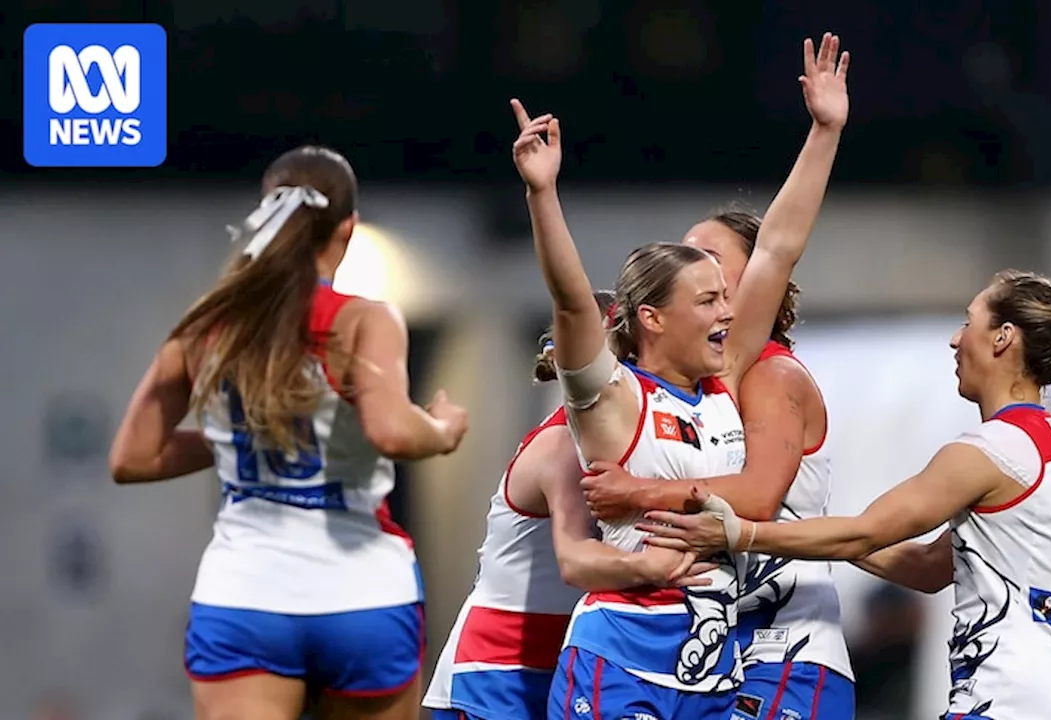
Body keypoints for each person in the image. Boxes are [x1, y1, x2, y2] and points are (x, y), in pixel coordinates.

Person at [640, 233, 1051, 720]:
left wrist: (739, 532)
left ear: (1003, 338)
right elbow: (927, 566)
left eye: (967, 322)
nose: (954, 339)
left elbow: (866, 532)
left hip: (1006, 698)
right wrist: (809, 527)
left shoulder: (989, 451)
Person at [511, 31, 850, 720]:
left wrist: (824, 130)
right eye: (710, 299)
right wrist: (543, 194)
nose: (732, 306)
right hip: (622, 652)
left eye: (729, 295)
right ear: (654, 320)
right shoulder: (612, 400)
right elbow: (574, 301)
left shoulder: (724, 382)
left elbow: (777, 248)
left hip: (712, 661)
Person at [108, 146, 469, 720]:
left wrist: (248, 436)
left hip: (244, 597)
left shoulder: (208, 323)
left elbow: (133, 456)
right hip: (362, 594)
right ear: (347, 230)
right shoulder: (362, 320)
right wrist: (443, 427)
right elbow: (394, 433)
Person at [579, 208, 855, 720]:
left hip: (786, 647)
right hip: (725, 647)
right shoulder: (698, 389)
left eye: (709, 257)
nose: (692, 264)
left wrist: (638, 491)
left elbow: (755, 498)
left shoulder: (769, 375)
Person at [424, 291, 703, 720]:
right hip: (499, 669)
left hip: (564, 657)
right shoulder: (562, 447)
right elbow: (574, 562)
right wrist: (658, 566)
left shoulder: (635, 444)